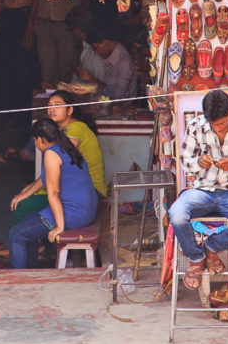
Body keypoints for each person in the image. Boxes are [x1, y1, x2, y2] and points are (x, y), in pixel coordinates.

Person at [169, 89, 228, 290]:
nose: (218, 130)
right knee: (176, 214)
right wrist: (199, 162)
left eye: (221, 125)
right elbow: (185, 162)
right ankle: (196, 257)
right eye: (213, 126)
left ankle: (211, 248)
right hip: (202, 190)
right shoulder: (196, 126)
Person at [8, 118, 98, 268]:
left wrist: (59, 227)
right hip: (87, 210)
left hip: (73, 213)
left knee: (16, 235)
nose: (35, 144)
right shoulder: (65, 146)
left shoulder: (51, 154)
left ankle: (19, 280)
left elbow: (54, 193)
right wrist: (26, 193)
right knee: (26, 223)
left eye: (35, 140)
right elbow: (46, 178)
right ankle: (29, 271)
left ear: (42, 140)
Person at [11, 90, 107, 223]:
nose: (52, 109)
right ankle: (41, 240)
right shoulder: (62, 130)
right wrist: (29, 190)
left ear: (70, 110)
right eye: (49, 105)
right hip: (75, 188)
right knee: (27, 193)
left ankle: (26, 239)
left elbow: (58, 161)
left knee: (22, 204)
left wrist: (27, 193)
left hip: (89, 194)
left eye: (57, 105)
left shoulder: (77, 128)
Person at [81, 23, 137, 101]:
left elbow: (116, 99)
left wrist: (92, 79)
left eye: (96, 48)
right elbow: (105, 90)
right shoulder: (110, 58)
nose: (95, 53)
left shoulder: (124, 63)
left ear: (106, 42)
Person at [65, 7, 108, 87]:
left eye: (71, 29)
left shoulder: (95, 53)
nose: (71, 33)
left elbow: (102, 89)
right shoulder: (85, 47)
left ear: (78, 29)